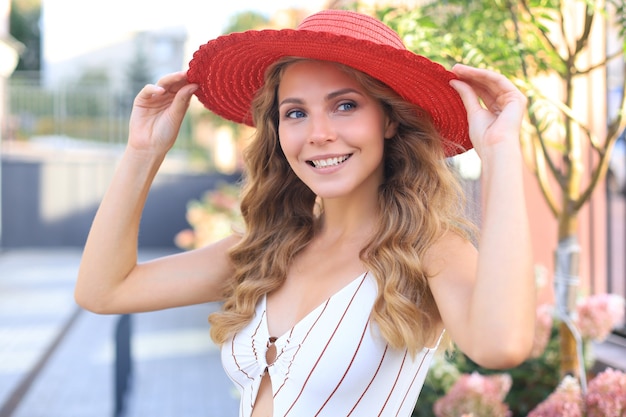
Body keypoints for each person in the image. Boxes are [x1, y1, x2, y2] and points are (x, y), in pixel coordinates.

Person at [75, 9, 535, 417]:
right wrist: (142, 151)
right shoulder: (260, 251)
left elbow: (502, 345)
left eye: (345, 105)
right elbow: (102, 291)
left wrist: (501, 151)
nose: (318, 133)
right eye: (295, 113)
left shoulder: (429, 251)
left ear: (389, 118)